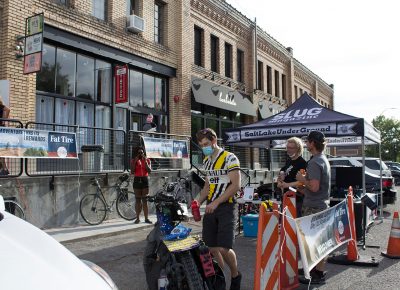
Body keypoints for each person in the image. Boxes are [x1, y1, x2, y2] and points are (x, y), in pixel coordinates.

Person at [194, 128, 242, 290]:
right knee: (211, 248)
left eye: (206, 144)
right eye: (201, 145)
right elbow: (208, 187)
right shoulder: (207, 161)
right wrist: (197, 201)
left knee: (224, 247)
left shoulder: (230, 158)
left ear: (214, 141)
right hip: (211, 207)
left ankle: (235, 275)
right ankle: (219, 279)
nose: (204, 147)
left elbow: (236, 185)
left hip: (227, 206)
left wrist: (216, 203)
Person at [296, 131, 331, 284]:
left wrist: (302, 179)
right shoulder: (322, 159)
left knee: (313, 242)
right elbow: (315, 189)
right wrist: (302, 189)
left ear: (312, 143)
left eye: (307, 142)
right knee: (318, 241)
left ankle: (317, 275)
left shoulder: (315, 162)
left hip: (314, 208)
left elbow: (315, 187)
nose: (306, 144)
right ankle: (315, 271)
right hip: (319, 204)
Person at [277, 137, 307, 218]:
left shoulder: (302, 163)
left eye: (291, 148)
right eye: (287, 147)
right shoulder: (288, 161)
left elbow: (302, 182)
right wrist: (280, 181)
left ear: (298, 149)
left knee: (295, 225)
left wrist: (287, 185)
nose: (288, 150)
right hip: (286, 198)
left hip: (297, 199)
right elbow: (282, 176)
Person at [131, 147, 152, 224]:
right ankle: (137, 218)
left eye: (142, 153)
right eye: (139, 153)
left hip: (144, 179)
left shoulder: (147, 160)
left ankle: (146, 218)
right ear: (136, 154)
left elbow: (150, 171)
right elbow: (132, 171)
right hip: (137, 179)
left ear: (144, 153)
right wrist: (135, 162)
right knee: (137, 200)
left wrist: (146, 163)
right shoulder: (133, 161)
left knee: (145, 200)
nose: (140, 154)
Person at [0, 96, 10, 175]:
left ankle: (5, 168)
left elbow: (8, 109)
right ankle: (4, 168)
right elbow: (7, 109)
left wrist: (3, 120)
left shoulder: (1, 106)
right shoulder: (1, 106)